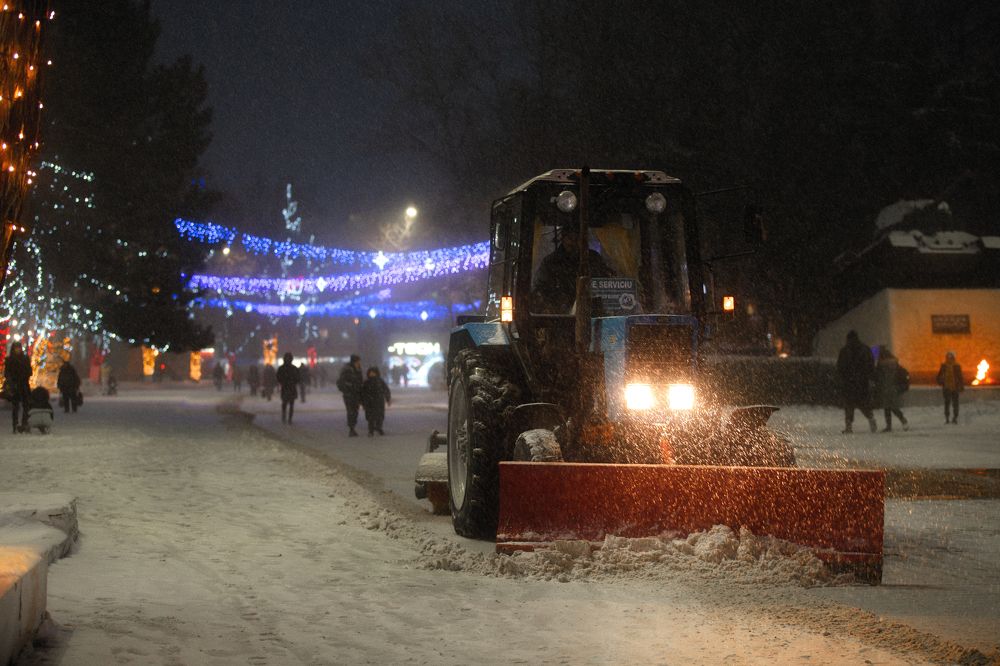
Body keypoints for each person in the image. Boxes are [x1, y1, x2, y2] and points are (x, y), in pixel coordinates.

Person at [531, 224, 613, 314]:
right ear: (563, 238)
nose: (573, 243)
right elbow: (539, 291)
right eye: (570, 238)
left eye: (577, 239)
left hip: (592, 316)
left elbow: (606, 284)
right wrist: (555, 306)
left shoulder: (594, 259)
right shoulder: (551, 262)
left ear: (583, 240)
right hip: (559, 319)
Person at [836, 330, 878, 434]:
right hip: (862, 381)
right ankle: (871, 420)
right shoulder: (865, 349)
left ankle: (849, 427)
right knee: (863, 404)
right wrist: (869, 377)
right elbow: (871, 365)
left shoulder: (845, 350)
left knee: (849, 404)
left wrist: (842, 377)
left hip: (849, 382)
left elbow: (840, 366)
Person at [874, 346, 908, 432]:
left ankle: (889, 425)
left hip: (885, 387)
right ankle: (902, 419)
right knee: (892, 406)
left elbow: (877, 376)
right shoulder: (894, 363)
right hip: (894, 387)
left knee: (887, 407)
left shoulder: (881, 364)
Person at [4, 341, 32, 433]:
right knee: (16, 406)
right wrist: (12, 381)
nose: (18, 350)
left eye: (19, 348)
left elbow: (29, 371)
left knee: (26, 405)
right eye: (16, 348)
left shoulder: (25, 358)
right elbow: (7, 373)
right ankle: (15, 424)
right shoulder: (9, 360)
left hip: (24, 384)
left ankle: (24, 423)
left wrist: (25, 374)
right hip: (15, 385)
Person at [336, 354, 364, 437]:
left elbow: (359, 380)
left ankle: (352, 427)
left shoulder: (358, 369)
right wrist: (349, 388)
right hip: (349, 394)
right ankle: (351, 428)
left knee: (355, 411)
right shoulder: (347, 370)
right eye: (358, 361)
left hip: (356, 393)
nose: (359, 363)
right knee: (351, 411)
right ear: (355, 361)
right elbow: (344, 381)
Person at [361, 366, 391, 436]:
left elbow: (386, 390)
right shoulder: (366, 382)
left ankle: (379, 428)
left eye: (373, 372)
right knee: (370, 418)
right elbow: (362, 393)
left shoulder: (380, 381)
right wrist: (362, 402)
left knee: (379, 416)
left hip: (379, 402)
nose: (372, 374)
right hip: (369, 402)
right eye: (371, 372)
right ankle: (371, 431)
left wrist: (388, 399)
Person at [936, 351, 964, 424]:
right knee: (948, 403)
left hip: (954, 387)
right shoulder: (944, 366)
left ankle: (954, 417)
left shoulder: (956, 366)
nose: (949, 359)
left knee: (954, 403)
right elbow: (938, 376)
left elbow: (960, 377)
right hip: (947, 388)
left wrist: (961, 386)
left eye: (951, 357)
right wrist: (941, 382)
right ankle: (948, 418)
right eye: (948, 357)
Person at [276, 352, 301, 425]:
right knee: (290, 404)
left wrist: (283, 382)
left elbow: (278, 377)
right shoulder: (294, 368)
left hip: (286, 387)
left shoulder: (282, 368)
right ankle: (288, 418)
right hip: (291, 388)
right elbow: (298, 378)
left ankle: (286, 417)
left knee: (286, 404)